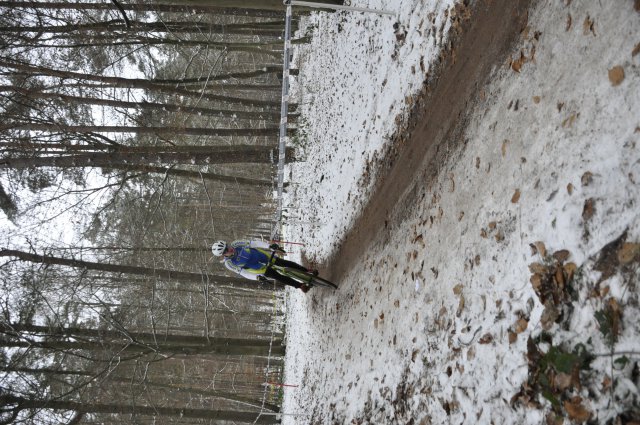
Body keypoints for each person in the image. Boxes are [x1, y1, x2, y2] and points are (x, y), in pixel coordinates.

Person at [211, 239, 317, 293]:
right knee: (278, 276)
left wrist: (270, 246)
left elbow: (254, 243)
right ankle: (300, 286)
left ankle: (307, 271)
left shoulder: (236, 244)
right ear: (223, 255)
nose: (229, 249)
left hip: (262, 256)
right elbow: (243, 273)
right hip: (258, 268)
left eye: (227, 246)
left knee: (283, 263)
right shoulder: (229, 263)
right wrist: (257, 277)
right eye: (226, 250)